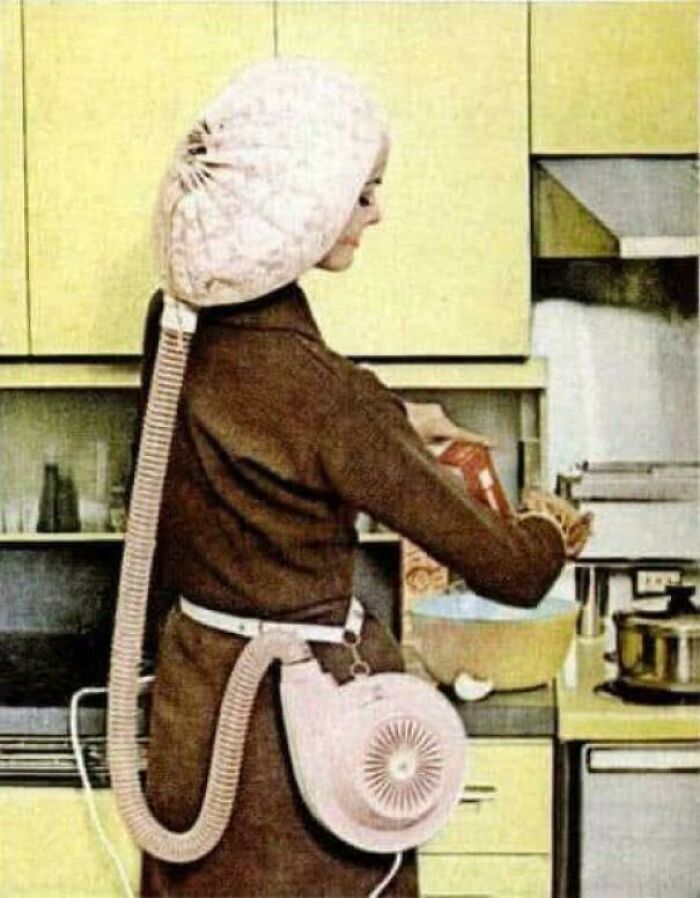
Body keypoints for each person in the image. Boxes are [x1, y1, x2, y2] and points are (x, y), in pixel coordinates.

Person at [135, 58, 590, 898]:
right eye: (362, 191)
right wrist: (550, 529)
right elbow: (516, 574)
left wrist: (393, 415)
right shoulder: (331, 406)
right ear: (297, 201)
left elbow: (270, 417)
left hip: (194, 724)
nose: (376, 213)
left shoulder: (177, 328)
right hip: (290, 757)